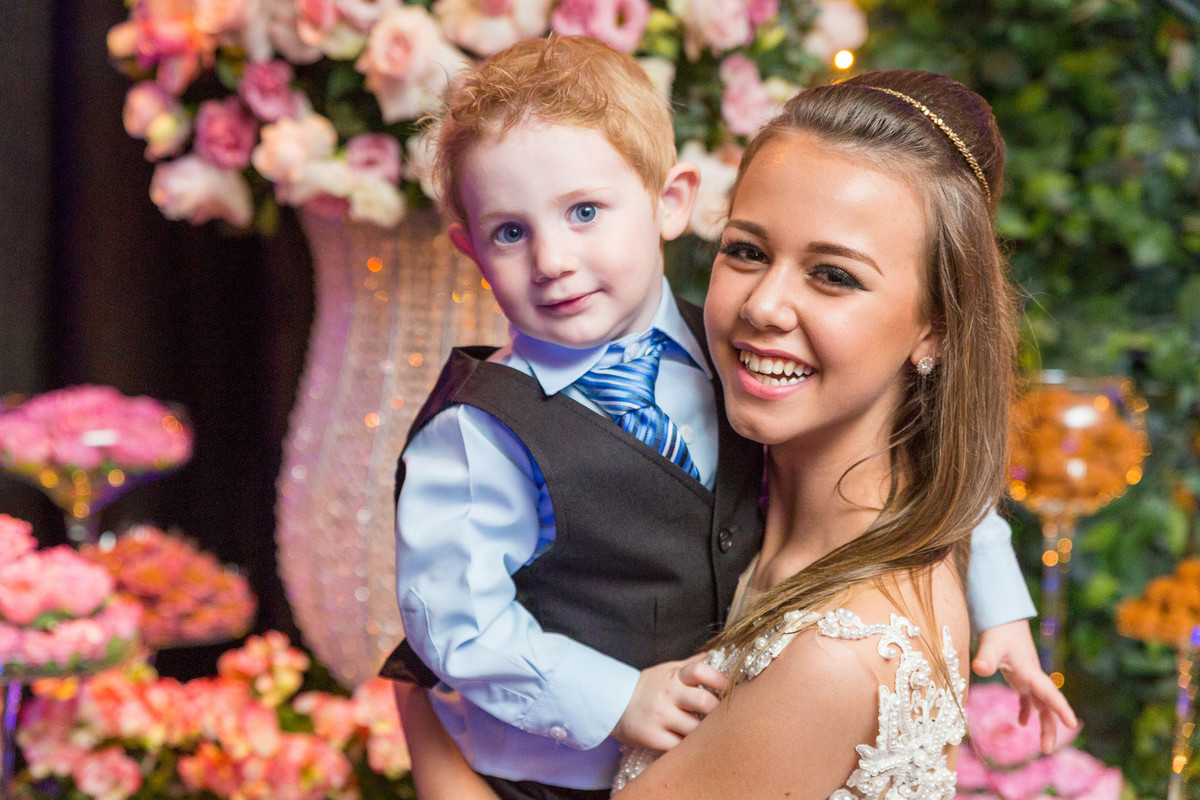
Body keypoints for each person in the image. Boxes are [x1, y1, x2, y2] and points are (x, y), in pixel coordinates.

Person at [384, 39, 1064, 800]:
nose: (763, 307)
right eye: (745, 250)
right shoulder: (524, 422)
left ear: (937, 324)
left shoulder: (843, 648)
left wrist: (421, 723)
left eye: (833, 275)